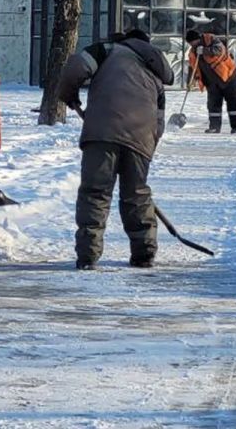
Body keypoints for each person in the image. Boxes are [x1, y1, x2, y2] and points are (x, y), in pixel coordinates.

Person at [57, 28, 175, 270]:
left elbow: (75, 68)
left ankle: (88, 255)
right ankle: (144, 254)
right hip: (142, 138)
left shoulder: (107, 50)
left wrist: (68, 96)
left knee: (95, 193)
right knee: (137, 194)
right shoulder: (155, 74)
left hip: (102, 134)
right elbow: (159, 121)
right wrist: (146, 147)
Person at [185, 29, 236, 134]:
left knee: (233, 103)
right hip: (211, 82)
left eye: (192, 42)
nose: (192, 45)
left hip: (228, 77)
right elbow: (192, 68)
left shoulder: (210, 39)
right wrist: (189, 82)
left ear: (197, 39)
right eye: (190, 43)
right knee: (213, 104)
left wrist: (205, 50)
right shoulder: (192, 52)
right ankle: (214, 127)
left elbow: (220, 50)